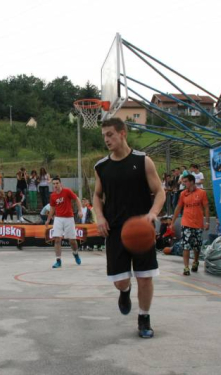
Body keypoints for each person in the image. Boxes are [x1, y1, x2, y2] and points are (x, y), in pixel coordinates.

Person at [93, 117, 165, 339]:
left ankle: (144, 318)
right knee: (120, 280)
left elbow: (160, 192)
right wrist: (100, 217)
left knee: (145, 277)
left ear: (122, 133)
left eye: (110, 134)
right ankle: (124, 291)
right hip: (114, 231)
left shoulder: (143, 161)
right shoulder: (101, 167)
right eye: (104, 135)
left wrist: (153, 214)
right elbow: (97, 195)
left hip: (141, 229)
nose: (106, 139)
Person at [170, 174, 210, 276]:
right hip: (186, 222)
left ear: (192, 181)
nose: (184, 183)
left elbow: (206, 207)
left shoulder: (202, 193)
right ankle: (186, 267)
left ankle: (195, 261)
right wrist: (172, 222)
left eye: (186, 181)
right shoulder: (183, 194)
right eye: (183, 181)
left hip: (198, 223)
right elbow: (178, 208)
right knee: (186, 245)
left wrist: (207, 221)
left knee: (197, 246)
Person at [45, 176, 83, 268]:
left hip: (69, 218)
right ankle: (58, 260)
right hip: (58, 219)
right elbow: (52, 208)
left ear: (60, 183)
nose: (55, 185)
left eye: (57, 183)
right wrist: (48, 219)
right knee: (57, 239)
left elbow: (77, 199)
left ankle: (75, 253)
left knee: (72, 241)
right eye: (54, 184)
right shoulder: (52, 196)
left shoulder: (67, 191)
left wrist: (80, 210)